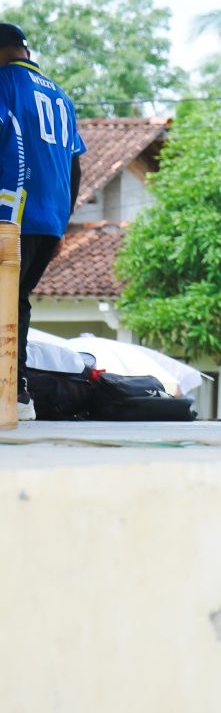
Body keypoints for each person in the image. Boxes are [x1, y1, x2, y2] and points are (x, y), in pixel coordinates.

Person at [0, 22, 85, 420]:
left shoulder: (6, 83)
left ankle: (13, 391)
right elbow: (74, 165)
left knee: (9, 298)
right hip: (50, 219)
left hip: (12, 214)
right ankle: (15, 392)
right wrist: (63, 221)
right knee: (14, 299)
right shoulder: (61, 96)